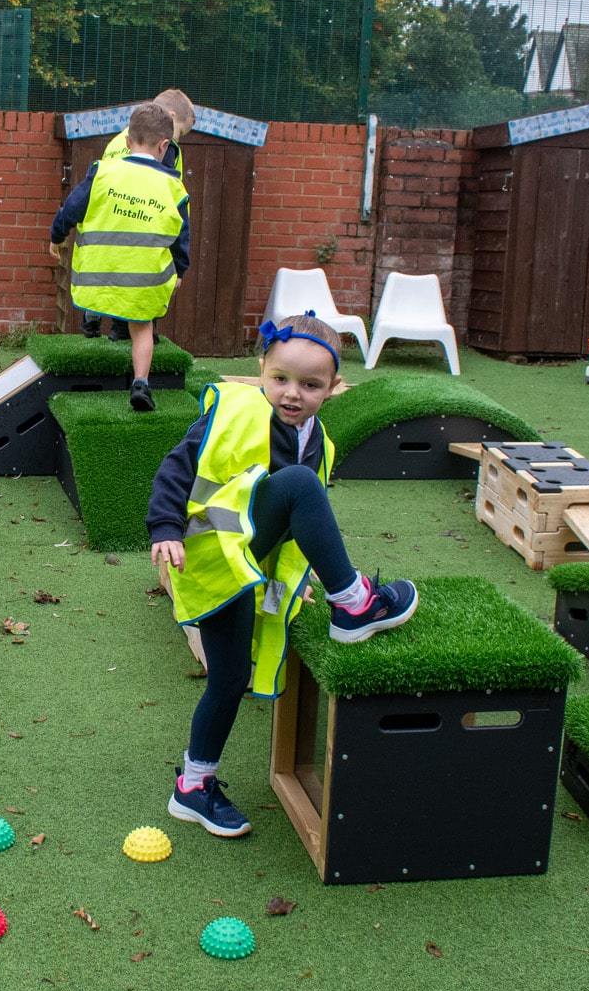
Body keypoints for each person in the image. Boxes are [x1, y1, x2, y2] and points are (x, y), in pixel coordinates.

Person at [147, 313, 418, 838]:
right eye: (280, 379)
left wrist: (300, 579)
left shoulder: (318, 442)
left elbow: (298, 524)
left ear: (334, 389)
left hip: (241, 568)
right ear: (261, 370)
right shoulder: (236, 411)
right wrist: (164, 526)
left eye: (310, 385)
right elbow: (176, 468)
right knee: (296, 483)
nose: (292, 394)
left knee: (228, 680)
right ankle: (356, 602)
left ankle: (194, 786)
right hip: (206, 554)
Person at [49, 102, 189, 411]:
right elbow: (182, 238)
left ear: (127, 142)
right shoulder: (173, 187)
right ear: (165, 146)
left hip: (97, 275)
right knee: (141, 330)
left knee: (102, 295)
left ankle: (91, 316)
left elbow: (71, 209)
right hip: (144, 280)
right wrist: (180, 271)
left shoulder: (102, 171)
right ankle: (141, 382)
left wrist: (57, 237)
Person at [84, 90, 198, 342]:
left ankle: (101, 320)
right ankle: (133, 336)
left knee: (112, 278)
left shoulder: (117, 140)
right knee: (142, 286)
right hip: (147, 227)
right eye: (179, 132)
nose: (176, 141)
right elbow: (164, 191)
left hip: (111, 224)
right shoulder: (165, 147)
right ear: (169, 117)